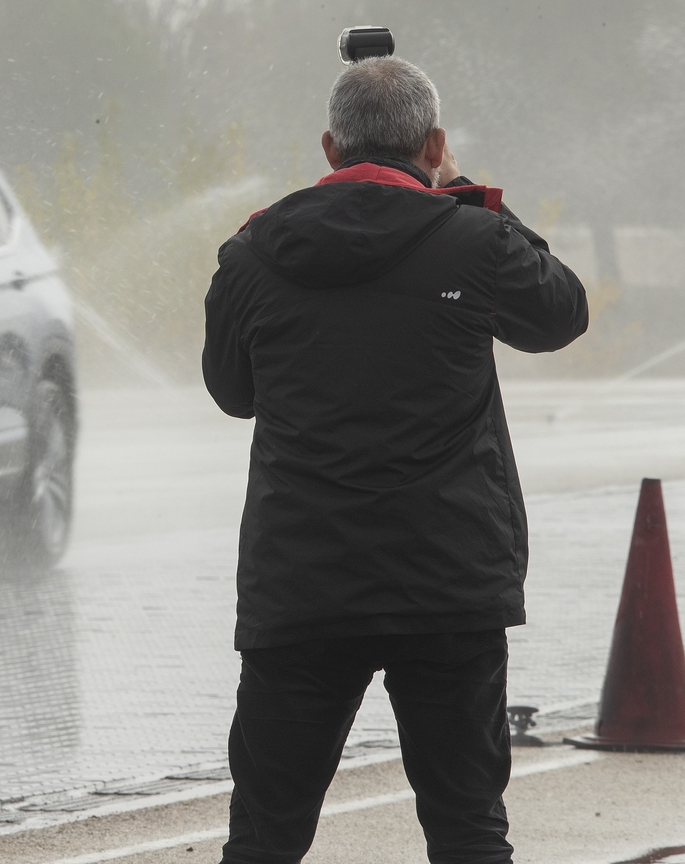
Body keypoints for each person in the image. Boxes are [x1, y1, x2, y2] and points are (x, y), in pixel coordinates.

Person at [201, 56, 588, 864]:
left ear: (329, 145)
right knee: (468, 831)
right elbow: (560, 313)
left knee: (264, 838)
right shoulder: (476, 240)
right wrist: (470, 196)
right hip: (448, 583)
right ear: (435, 143)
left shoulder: (251, 253)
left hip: (303, 585)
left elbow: (233, 394)